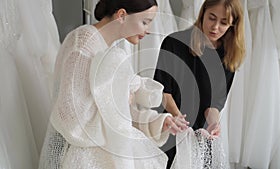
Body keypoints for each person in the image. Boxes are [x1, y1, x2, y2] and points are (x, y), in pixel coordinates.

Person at [38, 0, 189, 168]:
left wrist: (159, 121)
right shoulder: (83, 43)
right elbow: (70, 116)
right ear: (122, 15)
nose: (149, 31)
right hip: (80, 156)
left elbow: (118, 115)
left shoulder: (109, 50)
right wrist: (122, 98)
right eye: (145, 22)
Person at [153, 0, 245, 168]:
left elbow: (214, 105)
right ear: (203, 13)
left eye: (224, 23)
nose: (215, 27)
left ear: (232, 25)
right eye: (212, 18)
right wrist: (179, 119)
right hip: (171, 130)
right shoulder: (174, 43)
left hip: (200, 138)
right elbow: (163, 92)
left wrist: (214, 124)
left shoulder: (228, 57)